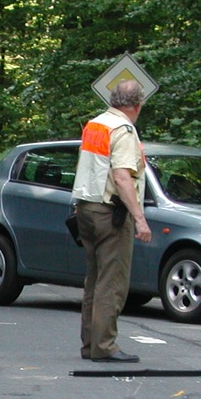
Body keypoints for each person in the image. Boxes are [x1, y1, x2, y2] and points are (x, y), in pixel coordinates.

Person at [70, 79, 153, 362]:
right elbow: (121, 176)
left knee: (94, 280)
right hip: (110, 212)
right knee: (112, 282)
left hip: (86, 208)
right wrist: (140, 219)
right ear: (138, 105)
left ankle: (90, 344)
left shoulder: (96, 124)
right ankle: (105, 346)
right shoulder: (123, 130)